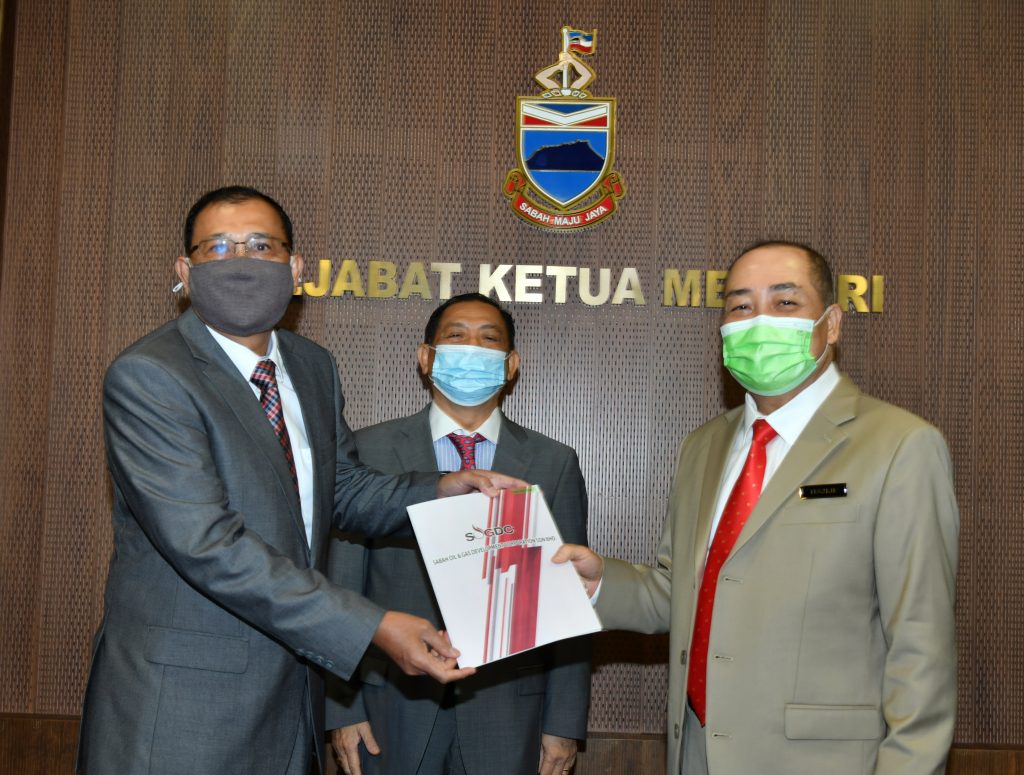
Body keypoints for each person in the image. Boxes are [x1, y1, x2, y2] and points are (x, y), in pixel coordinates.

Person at [76, 187, 523, 775]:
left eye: (260, 246)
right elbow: (208, 545)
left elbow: (339, 489)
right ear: (184, 271)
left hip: (291, 699)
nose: (240, 261)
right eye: (218, 247)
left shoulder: (312, 366)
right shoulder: (150, 377)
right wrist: (372, 627)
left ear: (295, 269)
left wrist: (440, 490)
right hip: (183, 706)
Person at [555, 242, 959, 775]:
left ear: (832, 323)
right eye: (741, 306)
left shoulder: (899, 446)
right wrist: (601, 582)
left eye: (785, 303)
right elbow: (679, 592)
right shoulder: (703, 447)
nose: (759, 321)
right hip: (696, 750)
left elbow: (921, 646)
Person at [326, 293, 591, 775]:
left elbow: (568, 602)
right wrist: (343, 709)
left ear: (511, 366)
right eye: (456, 335)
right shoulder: (367, 450)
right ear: (425, 357)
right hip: (392, 711)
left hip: (510, 713)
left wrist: (563, 723)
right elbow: (342, 590)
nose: (472, 348)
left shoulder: (554, 463)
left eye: (488, 339)